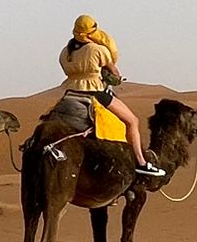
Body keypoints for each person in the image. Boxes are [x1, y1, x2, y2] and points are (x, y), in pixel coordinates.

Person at [62, 14, 166, 178]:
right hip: (94, 92)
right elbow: (114, 73)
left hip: (69, 92)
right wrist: (115, 78)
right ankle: (141, 162)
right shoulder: (98, 50)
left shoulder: (65, 52)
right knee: (132, 121)